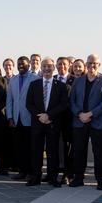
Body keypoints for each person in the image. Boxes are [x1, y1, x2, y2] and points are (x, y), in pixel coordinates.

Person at [25, 58, 69, 187]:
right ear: (41, 68)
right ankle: (35, 177)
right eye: (44, 66)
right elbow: (29, 104)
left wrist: (49, 115)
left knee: (52, 151)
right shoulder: (34, 84)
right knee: (36, 151)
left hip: (52, 123)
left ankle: (52, 177)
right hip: (37, 123)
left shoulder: (60, 86)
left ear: (53, 68)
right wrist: (40, 116)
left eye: (49, 66)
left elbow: (63, 104)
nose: (47, 69)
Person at [68, 55, 102, 189]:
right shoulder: (78, 81)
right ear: (86, 64)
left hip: (97, 122)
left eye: (95, 63)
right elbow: (72, 100)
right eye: (89, 63)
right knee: (79, 151)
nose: (92, 66)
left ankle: (100, 180)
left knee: (98, 152)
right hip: (79, 121)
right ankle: (78, 178)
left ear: (99, 65)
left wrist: (90, 114)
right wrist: (79, 114)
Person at [6, 56, 37, 182]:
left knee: (30, 147)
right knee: (19, 147)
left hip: (29, 118)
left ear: (28, 65)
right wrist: (9, 117)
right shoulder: (13, 80)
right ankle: (22, 171)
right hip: (16, 118)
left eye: (23, 64)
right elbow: (10, 100)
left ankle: (31, 171)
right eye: (18, 64)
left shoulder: (35, 79)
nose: (20, 66)